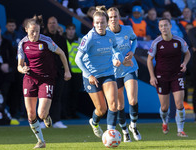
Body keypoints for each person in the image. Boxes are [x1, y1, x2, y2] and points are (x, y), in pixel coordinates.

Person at [75, 6, 132, 138]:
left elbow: (116, 49)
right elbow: (78, 59)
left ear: (107, 23)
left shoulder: (111, 35)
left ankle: (110, 134)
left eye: (102, 22)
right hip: (91, 76)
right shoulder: (89, 38)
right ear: (93, 23)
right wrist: (89, 75)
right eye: (97, 23)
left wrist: (119, 57)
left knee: (113, 104)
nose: (100, 25)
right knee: (102, 109)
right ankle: (94, 122)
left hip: (108, 73)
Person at [17, 15, 71, 148]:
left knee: (41, 114)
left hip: (46, 79)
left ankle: (46, 116)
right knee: (31, 114)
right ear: (26, 30)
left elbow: (61, 53)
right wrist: (22, 69)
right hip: (30, 78)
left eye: (37, 31)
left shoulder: (46, 41)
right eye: (32, 32)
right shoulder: (22, 43)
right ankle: (41, 141)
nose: (35, 34)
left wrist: (67, 71)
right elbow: (19, 65)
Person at [147, 18, 191, 137]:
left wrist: (184, 64)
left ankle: (180, 130)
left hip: (177, 75)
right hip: (161, 76)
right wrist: (152, 76)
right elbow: (149, 60)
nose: (164, 28)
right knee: (164, 107)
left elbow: (187, 53)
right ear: (159, 28)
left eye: (166, 25)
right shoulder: (156, 42)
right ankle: (165, 122)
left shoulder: (179, 41)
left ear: (170, 26)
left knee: (179, 104)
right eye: (161, 26)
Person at [107, 7, 141, 142]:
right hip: (115, 73)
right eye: (110, 17)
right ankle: (125, 131)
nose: (113, 19)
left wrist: (132, 51)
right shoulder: (105, 34)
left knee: (132, 100)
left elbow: (135, 40)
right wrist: (113, 61)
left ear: (119, 17)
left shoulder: (127, 29)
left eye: (115, 16)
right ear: (107, 19)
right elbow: (102, 52)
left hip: (129, 68)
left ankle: (133, 126)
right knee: (120, 106)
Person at [43, 16, 69, 128]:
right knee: (45, 97)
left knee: (57, 97)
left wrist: (67, 71)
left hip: (58, 73)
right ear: (47, 25)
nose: (52, 25)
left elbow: (65, 56)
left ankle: (57, 120)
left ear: (57, 24)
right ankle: (43, 120)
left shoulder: (62, 39)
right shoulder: (43, 38)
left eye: (54, 23)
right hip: (45, 73)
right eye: (50, 23)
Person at [63, 23, 82, 119]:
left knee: (75, 94)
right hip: (65, 71)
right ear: (66, 30)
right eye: (69, 29)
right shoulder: (62, 40)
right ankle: (65, 113)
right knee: (65, 93)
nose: (71, 31)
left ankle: (73, 113)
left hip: (77, 71)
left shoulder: (79, 41)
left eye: (72, 29)